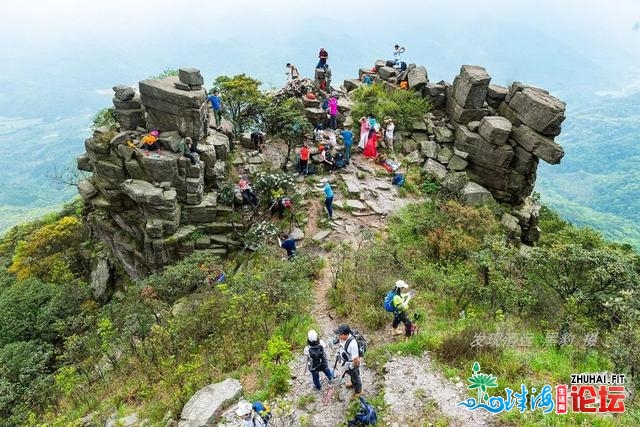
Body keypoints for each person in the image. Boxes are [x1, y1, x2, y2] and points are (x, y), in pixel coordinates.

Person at [334, 324, 362, 399]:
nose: (338, 336)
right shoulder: (342, 338)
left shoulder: (353, 345)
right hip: (347, 363)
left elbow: (356, 359)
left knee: (356, 376)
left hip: (352, 364)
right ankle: (353, 383)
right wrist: (338, 353)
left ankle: (358, 391)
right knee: (351, 374)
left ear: (345, 334)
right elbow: (341, 346)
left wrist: (352, 366)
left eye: (340, 334)